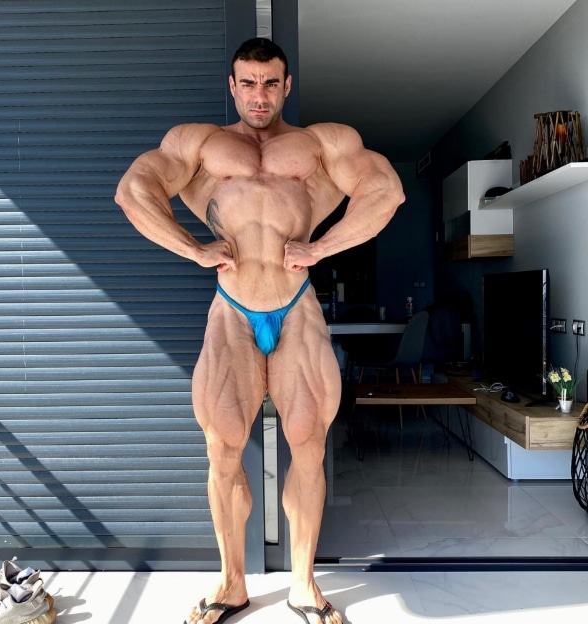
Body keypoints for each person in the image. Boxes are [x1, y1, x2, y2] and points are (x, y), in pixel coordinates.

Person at [115, 37, 404, 624]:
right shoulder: (199, 144)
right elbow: (134, 190)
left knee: (308, 443)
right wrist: (193, 249)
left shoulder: (322, 144)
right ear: (232, 85)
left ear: (287, 85)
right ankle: (231, 585)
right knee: (223, 449)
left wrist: (321, 247)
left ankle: (303, 586)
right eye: (247, 82)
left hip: (297, 307)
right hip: (232, 309)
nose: (259, 94)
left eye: (270, 82)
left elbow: (386, 191)